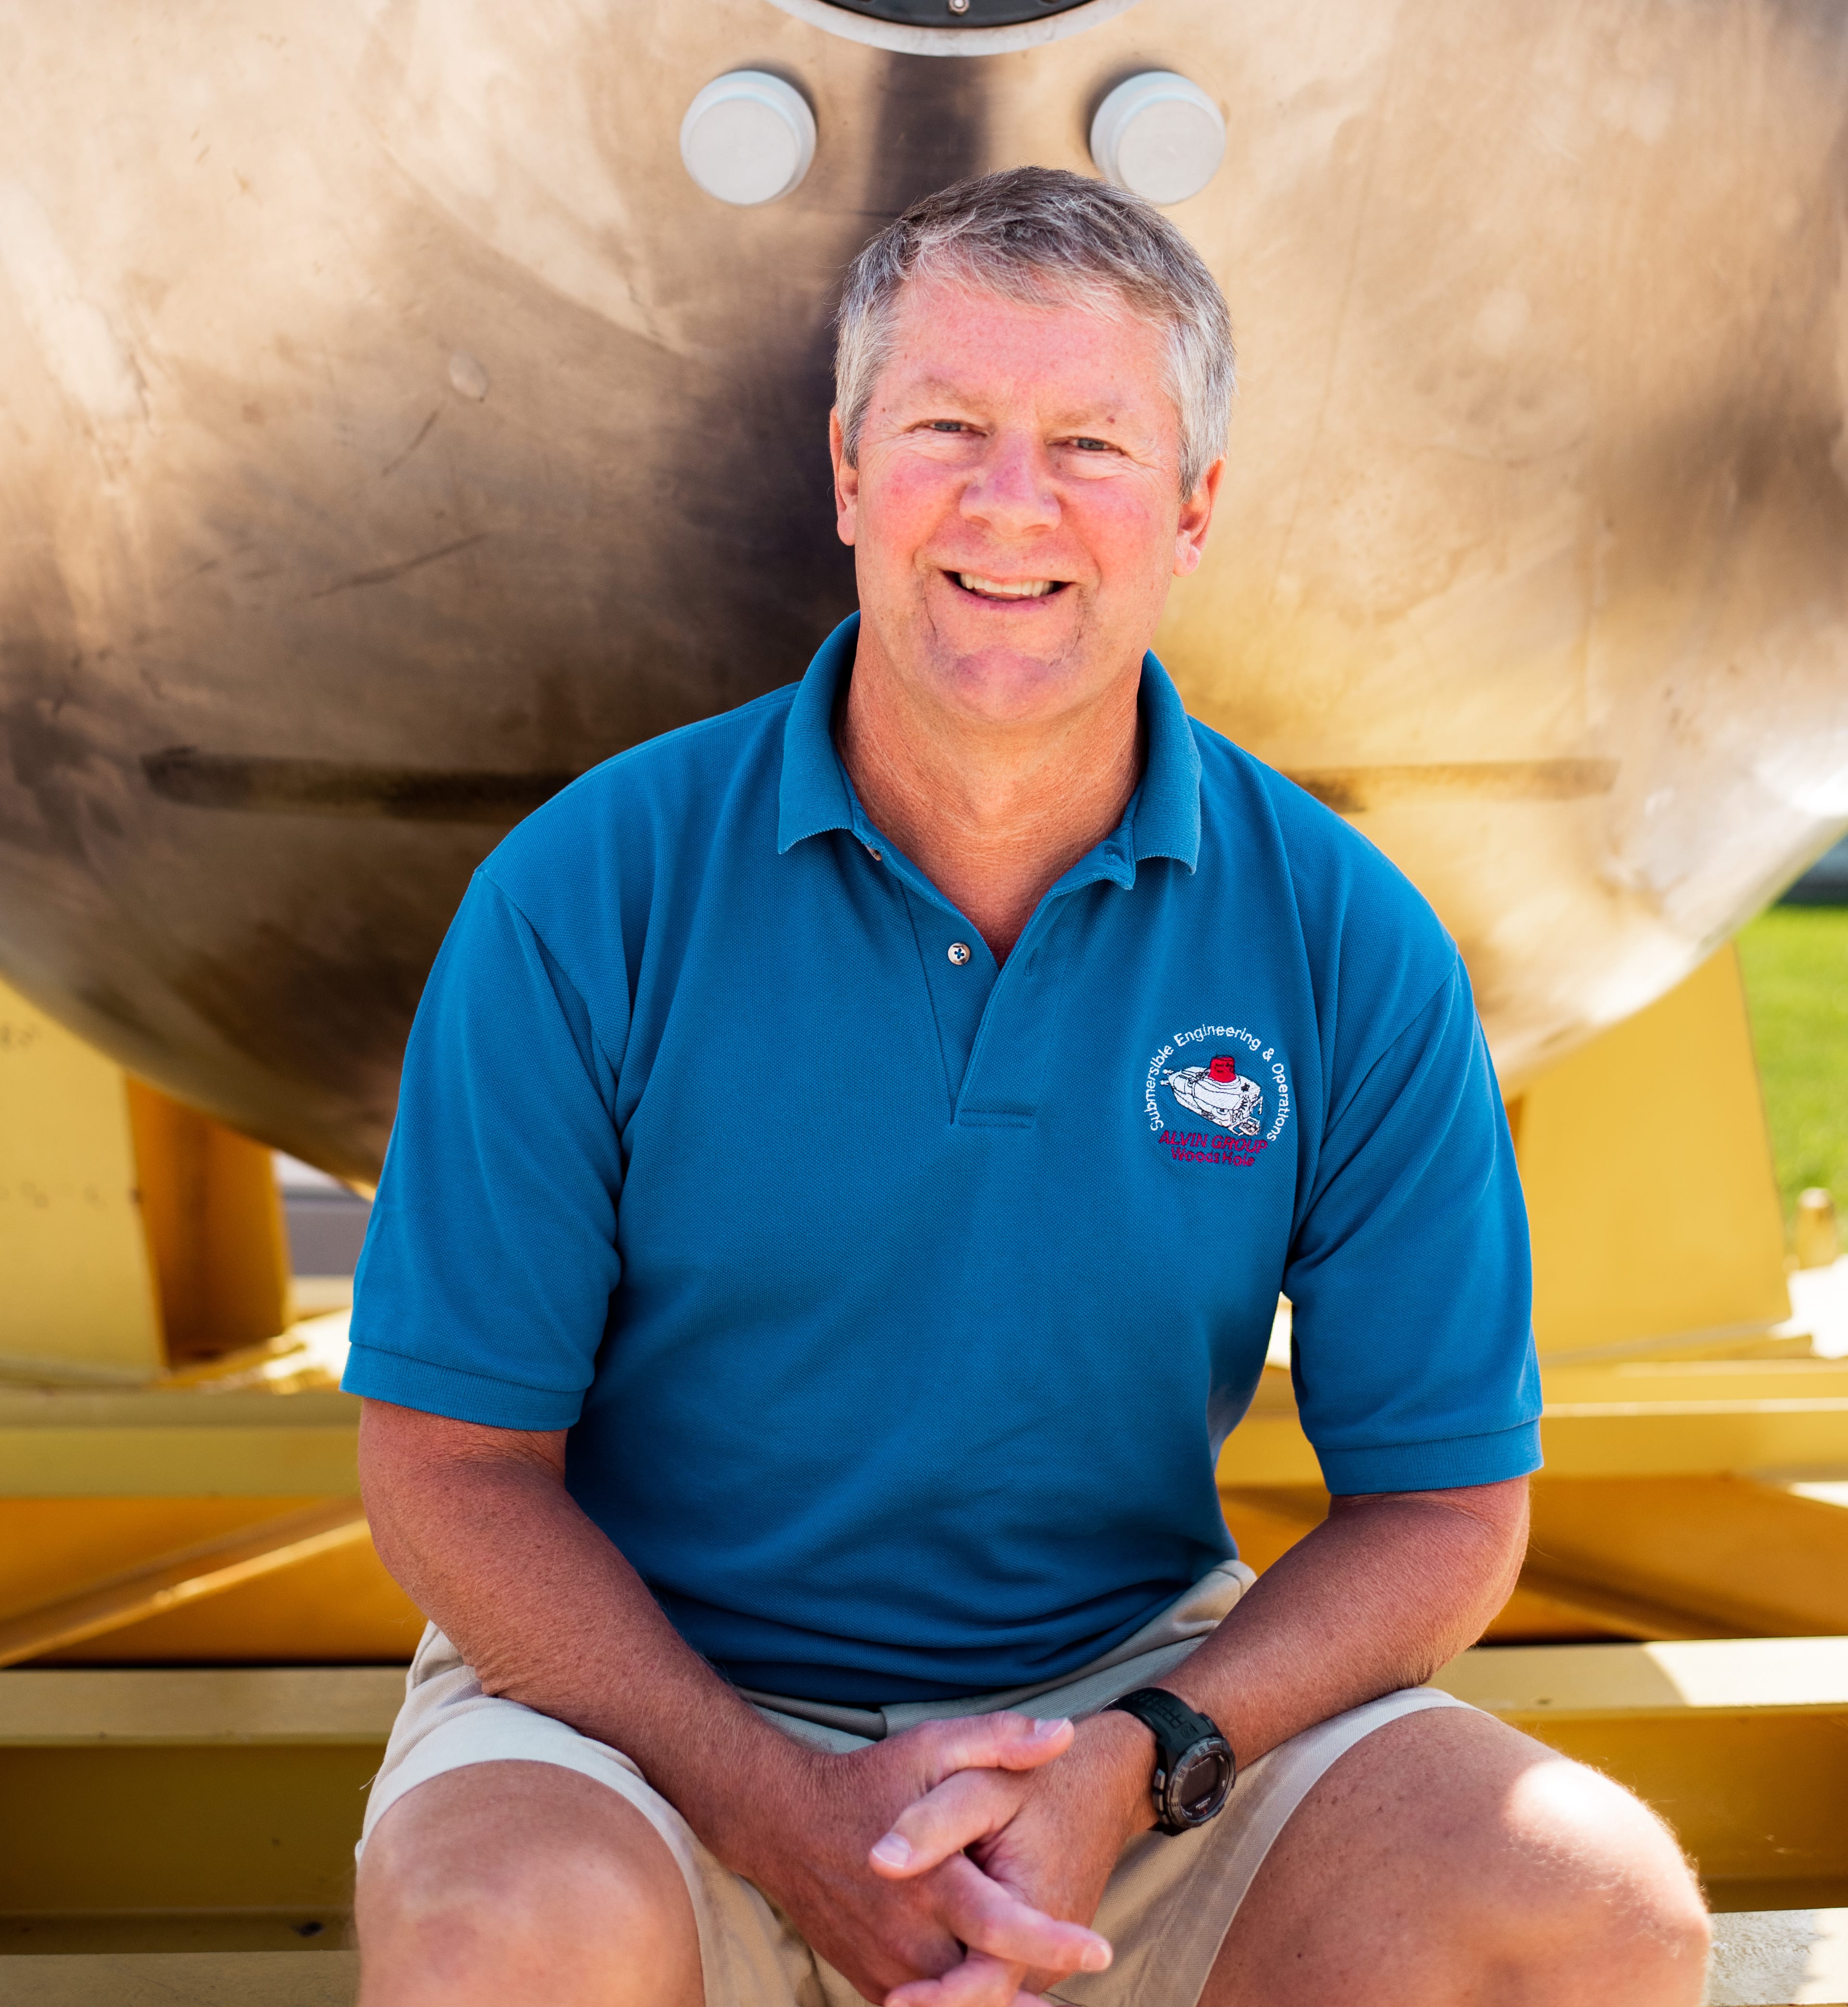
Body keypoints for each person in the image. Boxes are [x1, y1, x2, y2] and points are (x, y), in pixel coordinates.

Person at [347, 168, 1708, 2007]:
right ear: (845, 472)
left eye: (1090, 442)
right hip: (649, 1722)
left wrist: (1140, 1764)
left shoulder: (1344, 939)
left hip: (1127, 1717)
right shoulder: (588, 893)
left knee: (1592, 1909)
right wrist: (779, 1808)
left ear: (1194, 508)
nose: (1012, 500)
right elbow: (447, 1470)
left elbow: (1447, 1511)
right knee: (507, 1938)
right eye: (946, 429)